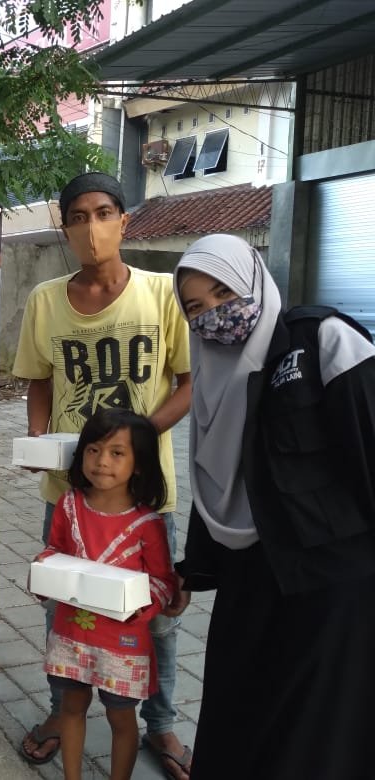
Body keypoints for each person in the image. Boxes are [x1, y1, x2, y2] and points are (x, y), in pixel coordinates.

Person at [169, 234, 375, 779]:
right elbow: (218, 484)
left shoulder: (323, 341)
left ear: (254, 282)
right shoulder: (211, 378)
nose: (216, 314)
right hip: (250, 581)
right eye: (196, 307)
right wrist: (192, 571)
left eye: (224, 292)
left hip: (330, 586)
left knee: (311, 737)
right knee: (234, 718)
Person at [12, 171, 193, 778]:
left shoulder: (162, 294)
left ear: (124, 220)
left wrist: (137, 440)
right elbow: (40, 379)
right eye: (78, 217)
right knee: (63, 604)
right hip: (69, 491)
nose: (91, 228)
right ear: (64, 228)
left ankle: (160, 724)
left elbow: (189, 382)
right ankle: (61, 711)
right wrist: (38, 439)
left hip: (143, 496)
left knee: (154, 616)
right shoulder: (45, 300)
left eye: (103, 213)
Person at [31, 409, 176, 780]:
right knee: (71, 707)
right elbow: (55, 548)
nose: (102, 462)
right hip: (71, 636)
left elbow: (162, 582)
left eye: (117, 453)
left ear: (139, 464)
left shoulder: (148, 524)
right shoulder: (69, 505)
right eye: (93, 450)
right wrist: (44, 570)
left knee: (121, 718)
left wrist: (141, 606)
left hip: (121, 645)